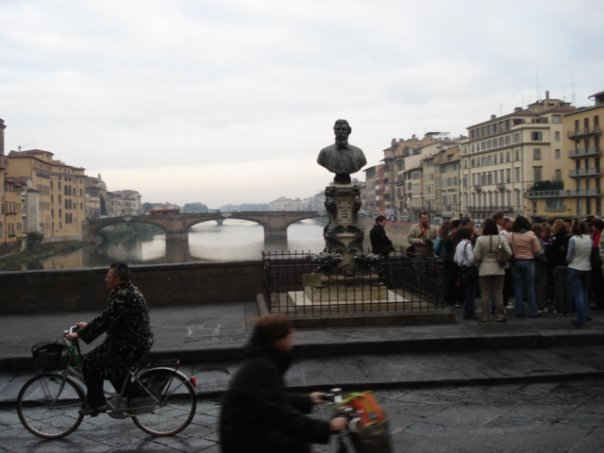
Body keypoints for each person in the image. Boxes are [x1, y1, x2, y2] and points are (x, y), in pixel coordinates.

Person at [219, 313, 348, 453]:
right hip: (242, 441)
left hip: (244, 433)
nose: (292, 334)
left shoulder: (261, 362)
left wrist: (308, 400)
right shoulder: (263, 368)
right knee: (295, 445)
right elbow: (281, 415)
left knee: (295, 443)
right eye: (288, 332)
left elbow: (272, 399)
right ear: (278, 339)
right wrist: (328, 427)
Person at [67, 262, 153, 416]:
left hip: (129, 344)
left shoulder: (123, 295)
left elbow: (105, 320)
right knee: (111, 366)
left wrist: (80, 334)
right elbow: (110, 318)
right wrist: (87, 327)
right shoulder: (126, 290)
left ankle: (97, 404)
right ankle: (130, 398)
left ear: (117, 279)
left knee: (90, 363)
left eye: (108, 276)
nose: (105, 279)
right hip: (131, 340)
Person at [473, 218, 512, 322]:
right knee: (498, 293)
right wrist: (504, 259)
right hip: (499, 268)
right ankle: (500, 315)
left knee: (484, 293)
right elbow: (509, 252)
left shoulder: (480, 239)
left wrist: (480, 260)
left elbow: (476, 255)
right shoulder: (501, 239)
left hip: (484, 269)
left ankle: (485, 316)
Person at [508, 216, 542, 318]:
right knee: (530, 287)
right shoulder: (531, 235)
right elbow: (537, 250)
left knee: (518, 287)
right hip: (529, 262)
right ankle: (533, 311)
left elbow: (508, 249)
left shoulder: (511, 235)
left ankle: (519, 310)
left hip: (516, 262)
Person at [317, 119, 367, 184]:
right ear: (334, 131)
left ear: (349, 131)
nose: (340, 132)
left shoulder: (359, 153)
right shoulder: (324, 153)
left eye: (343, 129)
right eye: (337, 129)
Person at [567, 218, 592, 328]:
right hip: (587, 267)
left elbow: (569, 257)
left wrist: (567, 261)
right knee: (585, 293)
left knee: (578, 294)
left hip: (575, 267)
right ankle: (586, 314)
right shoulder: (589, 238)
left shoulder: (573, 239)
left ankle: (580, 319)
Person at [548, 218, 572, 315]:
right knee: (568, 287)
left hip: (557, 265)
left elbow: (550, 253)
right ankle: (569, 308)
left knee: (559, 288)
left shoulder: (553, 239)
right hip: (568, 264)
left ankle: (560, 309)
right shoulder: (570, 238)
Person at [454, 227, 478, 319]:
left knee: (467, 291)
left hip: (461, 269)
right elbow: (471, 259)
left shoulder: (459, 244)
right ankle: (469, 312)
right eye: (472, 234)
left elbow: (455, 258)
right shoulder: (468, 244)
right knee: (470, 292)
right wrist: (476, 255)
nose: (473, 236)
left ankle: (468, 311)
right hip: (469, 269)